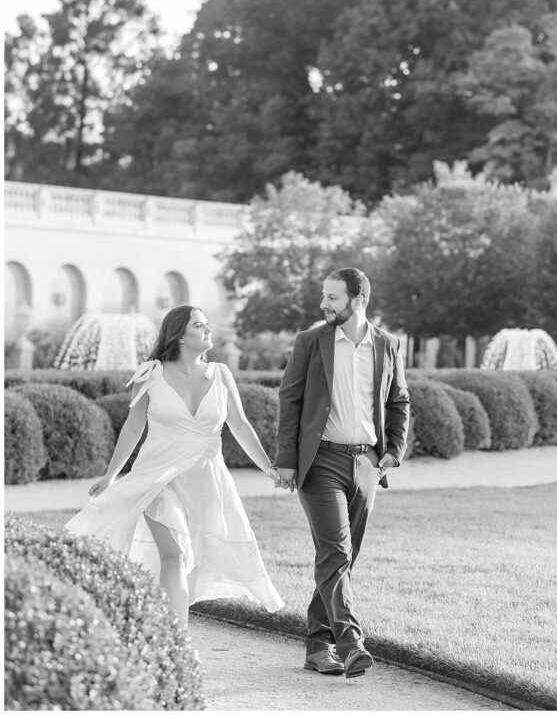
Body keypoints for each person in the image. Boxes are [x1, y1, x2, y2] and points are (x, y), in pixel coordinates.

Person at [65, 305, 284, 628]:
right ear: (180, 334)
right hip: (157, 478)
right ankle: (177, 640)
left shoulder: (221, 374)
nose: (208, 329)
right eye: (200, 325)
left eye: (207, 324)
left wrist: (267, 467)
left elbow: (240, 425)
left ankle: (159, 628)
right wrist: (111, 475)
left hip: (206, 479)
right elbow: (133, 427)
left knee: (190, 559)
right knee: (174, 555)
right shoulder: (151, 373)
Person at [275, 267, 410, 678]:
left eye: (332, 297)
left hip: (366, 463)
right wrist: (286, 459)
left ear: (358, 300)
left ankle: (318, 647)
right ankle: (351, 643)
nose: (324, 304)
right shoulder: (310, 342)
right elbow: (290, 398)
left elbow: (399, 400)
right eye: (324, 296)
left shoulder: (387, 345)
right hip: (320, 462)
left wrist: (395, 451)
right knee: (335, 553)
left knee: (342, 561)